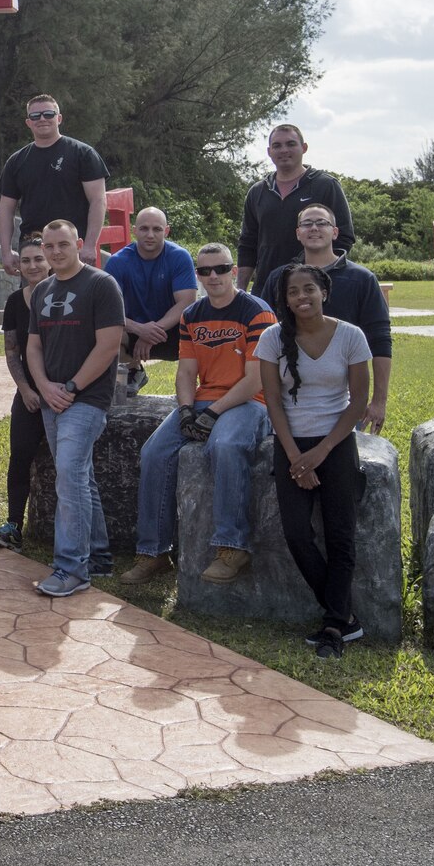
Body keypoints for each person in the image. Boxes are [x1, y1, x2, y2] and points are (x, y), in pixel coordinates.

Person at [126, 242, 276, 585]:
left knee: (223, 445)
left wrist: (213, 415)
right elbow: (185, 374)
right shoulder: (191, 315)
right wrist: (185, 410)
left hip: (251, 401)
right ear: (198, 275)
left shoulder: (257, 312)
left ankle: (231, 546)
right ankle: (153, 552)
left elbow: (255, 379)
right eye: (205, 271)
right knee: (154, 452)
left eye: (221, 269)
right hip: (204, 399)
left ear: (234, 271)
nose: (213, 276)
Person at [256, 262, 373, 657]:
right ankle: (342, 615)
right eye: (292, 292)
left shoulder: (351, 336)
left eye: (309, 289)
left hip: (336, 442)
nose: (301, 297)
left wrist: (320, 453)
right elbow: (272, 401)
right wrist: (294, 457)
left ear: (324, 291)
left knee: (341, 534)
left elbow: (358, 402)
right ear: (284, 299)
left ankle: (334, 626)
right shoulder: (273, 338)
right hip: (290, 442)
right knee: (296, 533)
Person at [24, 219, 124, 598]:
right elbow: (33, 347)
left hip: (86, 399)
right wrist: (46, 387)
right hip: (53, 398)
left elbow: (109, 345)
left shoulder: (101, 284)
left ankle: (72, 568)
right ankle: (98, 555)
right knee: (80, 476)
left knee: (70, 477)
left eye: (62, 245)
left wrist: (71, 387)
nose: (54, 253)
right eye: (49, 247)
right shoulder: (42, 290)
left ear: (78, 244)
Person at [259, 204, 392, 434]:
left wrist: (379, 401)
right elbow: (262, 340)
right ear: (298, 233)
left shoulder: (362, 279)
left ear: (335, 232)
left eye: (322, 223)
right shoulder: (279, 278)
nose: (314, 228)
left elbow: (380, 340)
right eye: (307, 224)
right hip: (289, 402)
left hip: (344, 401)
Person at [0, 236, 51, 552]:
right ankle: (13, 525)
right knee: (19, 457)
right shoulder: (15, 302)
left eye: (39, 259)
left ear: (49, 259)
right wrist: (25, 389)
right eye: (26, 261)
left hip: (66, 393)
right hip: (29, 393)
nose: (33, 266)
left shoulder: (67, 297)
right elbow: (12, 352)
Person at [0, 94, 109, 275]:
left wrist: (89, 245)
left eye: (48, 114)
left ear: (59, 118)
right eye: (35, 116)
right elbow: (6, 208)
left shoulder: (83, 154)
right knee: (35, 301)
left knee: (77, 300)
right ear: (28, 122)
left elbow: (98, 201)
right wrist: (6, 252)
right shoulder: (16, 161)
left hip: (72, 247)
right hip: (33, 248)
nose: (42, 119)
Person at [238, 124, 355, 293]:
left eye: (291, 144)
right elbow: (247, 244)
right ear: (269, 151)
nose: (284, 150)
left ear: (304, 148)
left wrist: (319, 277)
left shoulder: (326, 185)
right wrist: (241, 289)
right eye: (277, 146)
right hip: (267, 289)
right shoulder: (257, 192)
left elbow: (344, 238)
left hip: (313, 291)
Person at [103, 206, 198, 395]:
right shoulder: (117, 262)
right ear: (134, 230)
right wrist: (140, 329)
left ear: (167, 231)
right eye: (144, 228)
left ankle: (198, 386)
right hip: (132, 330)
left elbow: (186, 302)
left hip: (172, 330)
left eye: (157, 229)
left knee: (201, 328)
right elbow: (109, 310)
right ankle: (132, 371)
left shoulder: (179, 256)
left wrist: (152, 332)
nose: (150, 235)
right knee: (106, 331)